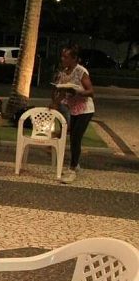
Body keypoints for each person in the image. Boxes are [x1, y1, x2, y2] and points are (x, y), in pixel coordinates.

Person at [51, 45, 94, 183]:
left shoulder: (80, 71)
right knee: (72, 137)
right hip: (73, 109)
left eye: (66, 57)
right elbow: (62, 91)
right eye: (62, 56)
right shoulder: (64, 72)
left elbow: (91, 92)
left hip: (85, 110)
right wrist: (55, 103)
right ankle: (75, 164)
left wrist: (77, 92)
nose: (63, 59)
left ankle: (72, 168)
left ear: (74, 59)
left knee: (76, 138)